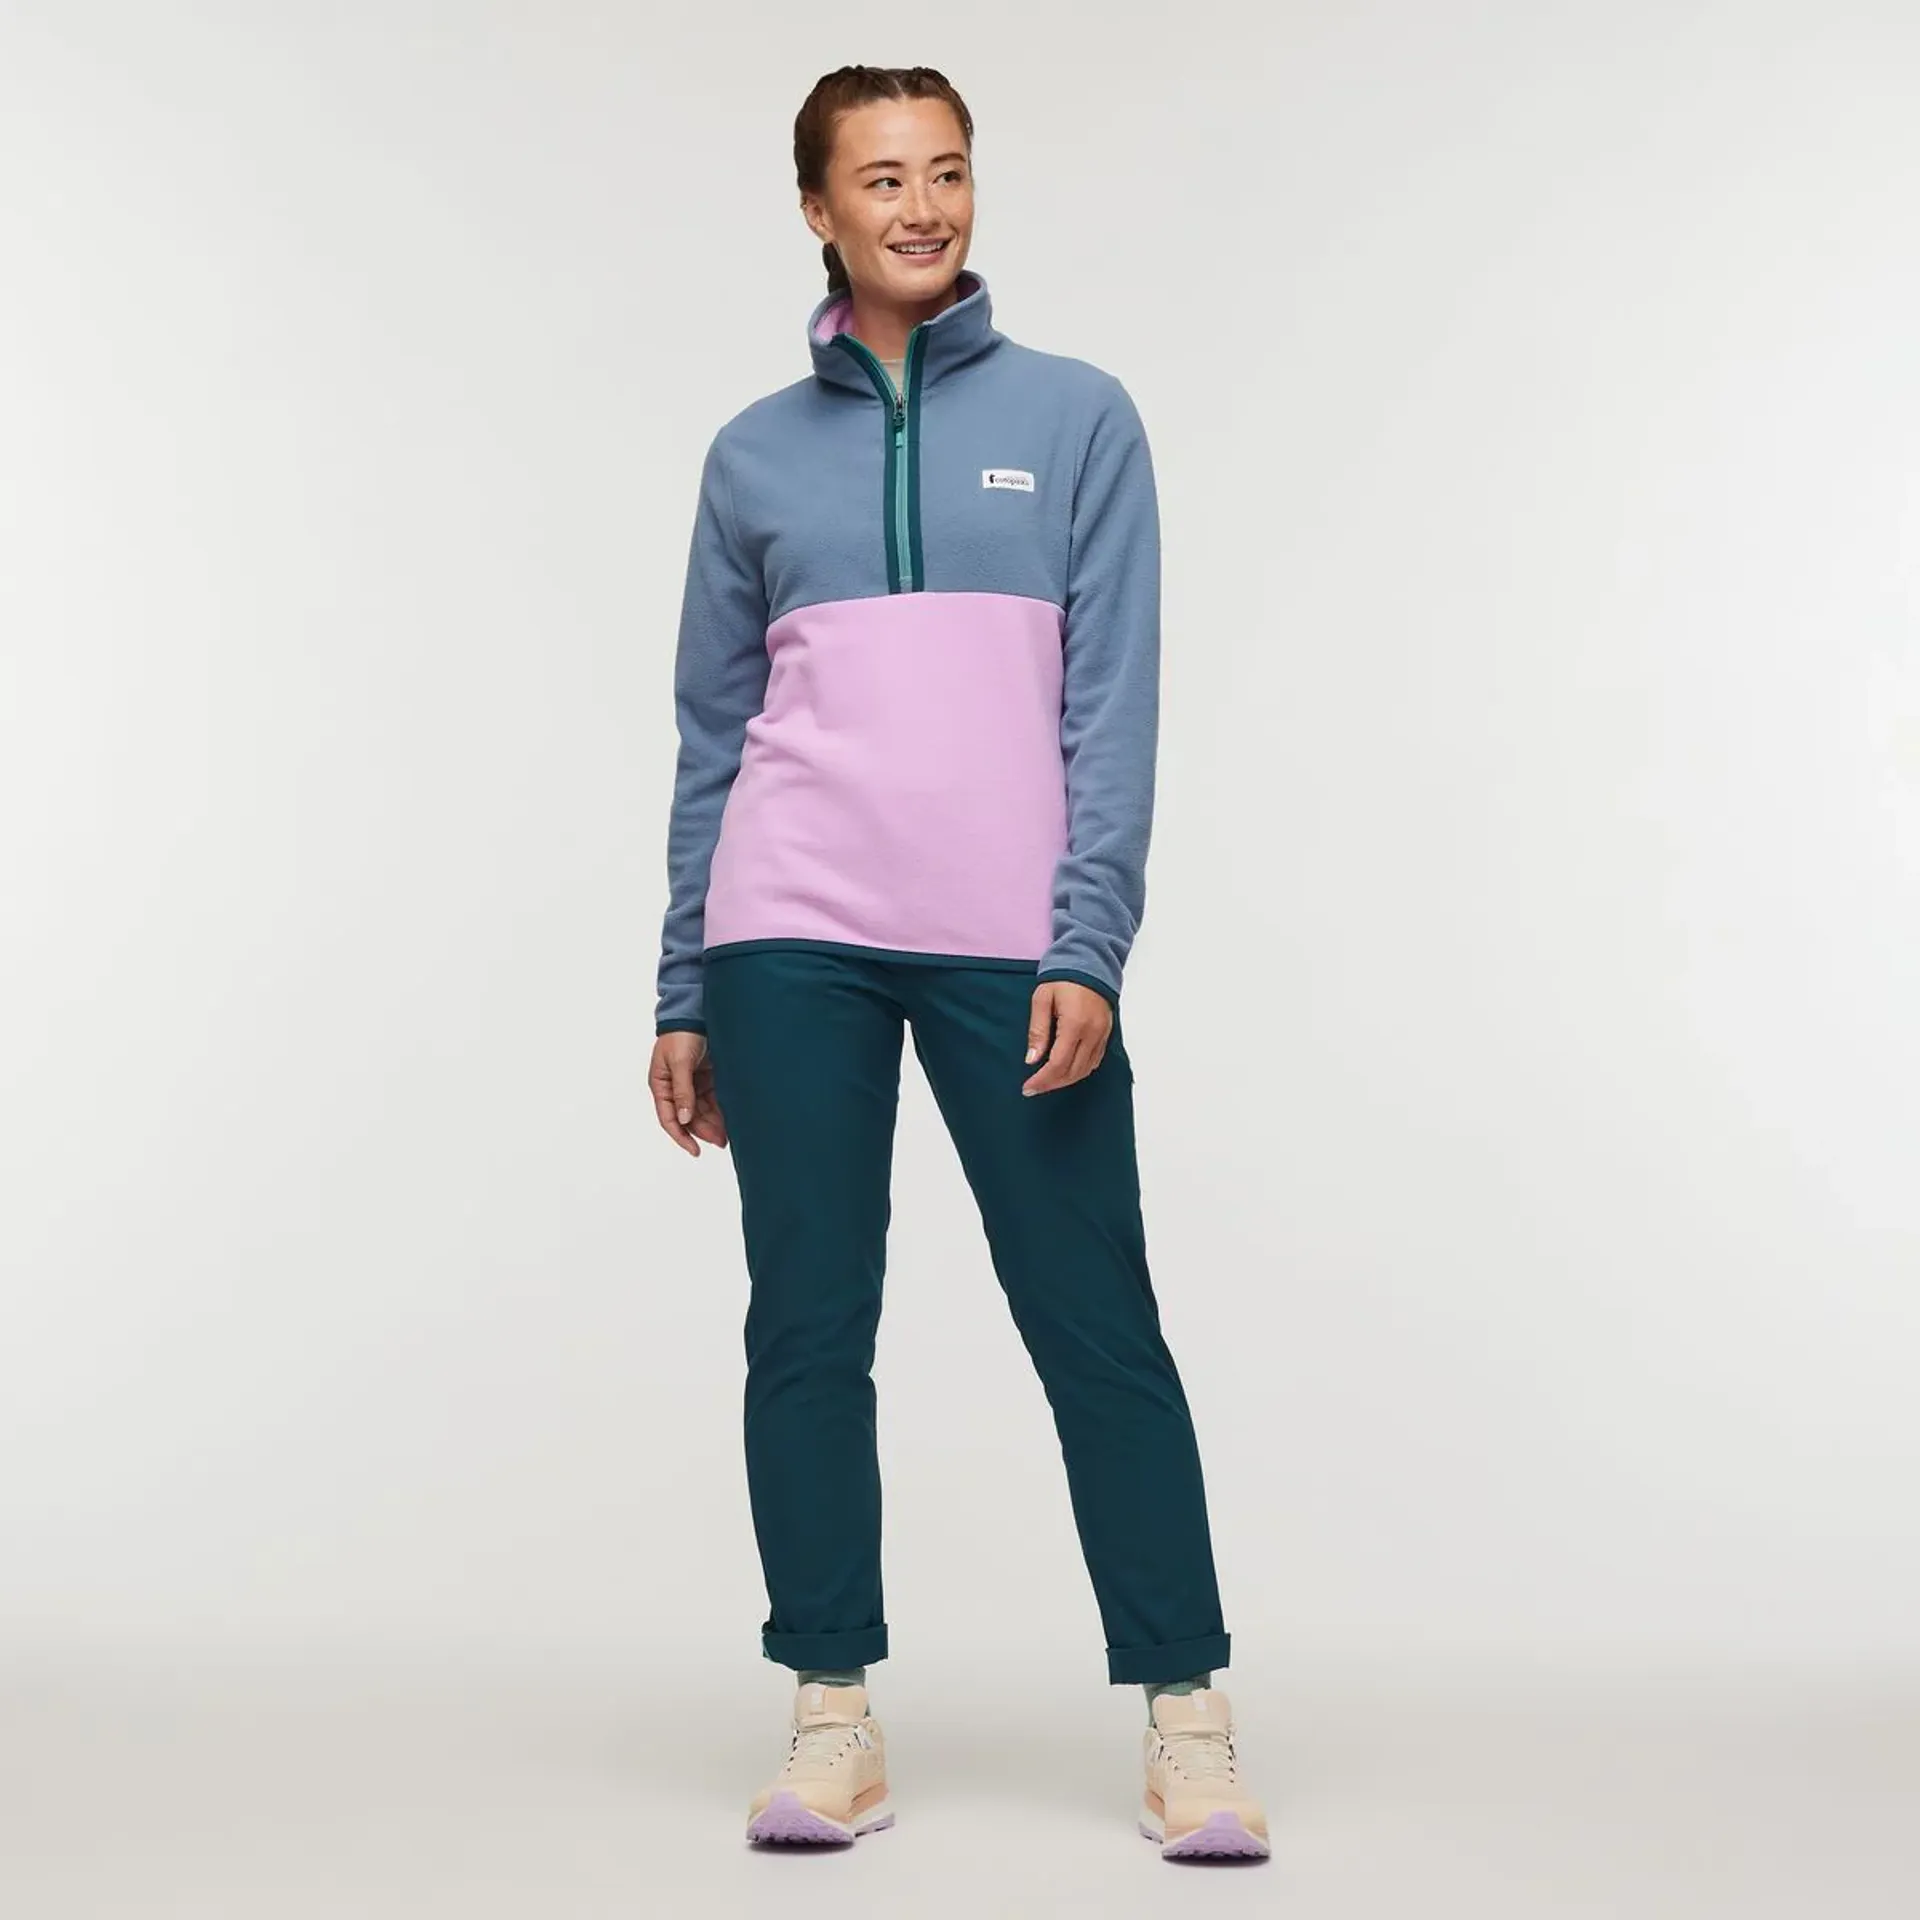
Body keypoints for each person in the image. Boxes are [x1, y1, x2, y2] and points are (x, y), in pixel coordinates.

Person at [647, 64, 1270, 1862]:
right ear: (819, 210)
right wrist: (684, 981)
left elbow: (1113, 704)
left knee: (1095, 1318)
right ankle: (831, 1715)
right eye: (882, 178)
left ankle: (1189, 1720)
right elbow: (712, 734)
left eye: (947, 171)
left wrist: (1091, 939)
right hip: (790, 929)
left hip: (1015, 939)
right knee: (807, 1322)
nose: (921, 206)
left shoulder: (1079, 419)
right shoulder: (753, 455)